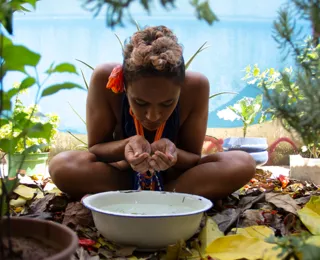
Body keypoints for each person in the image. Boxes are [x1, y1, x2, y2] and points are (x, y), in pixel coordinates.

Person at [49, 25, 255, 200]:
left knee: (242, 163)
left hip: (176, 179)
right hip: (121, 176)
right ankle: (169, 199)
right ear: (124, 85)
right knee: (62, 166)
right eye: (140, 102)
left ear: (181, 87)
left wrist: (173, 153)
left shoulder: (196, 86)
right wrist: (126, 146)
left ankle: (158, 196)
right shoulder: (106, 80)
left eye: (167, 103)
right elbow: (95, 149)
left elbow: (193, 158)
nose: (153, 116)